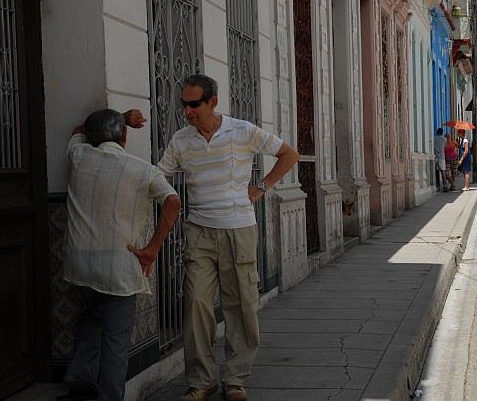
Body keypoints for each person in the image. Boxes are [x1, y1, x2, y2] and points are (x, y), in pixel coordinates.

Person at [157, 74, 299, 401]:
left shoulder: (242, 130)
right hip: (199, 231)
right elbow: (158, 175)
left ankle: (234, 379)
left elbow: (288, 154)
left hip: (239, 230)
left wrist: (261, 187)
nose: (188, 111)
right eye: (184, 105)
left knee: (240, 306)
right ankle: (201, 381)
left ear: (212, 102)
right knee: (196, 304)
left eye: (195, 104)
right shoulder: (181, 140)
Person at [61, 109, 181, 401]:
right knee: (116, 340)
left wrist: (122, 116)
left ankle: (79, 378)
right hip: (118, 268)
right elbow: (173, 202)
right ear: (124, 136)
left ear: (91, 137)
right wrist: (152, 249)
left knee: (91, 317)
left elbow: (79, 127)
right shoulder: (142, 170)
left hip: (80, 264)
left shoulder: (78, 156)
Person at [433, 127, 449, 192]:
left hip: (435, 155)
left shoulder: (434, 138)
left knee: (435, 170)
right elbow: (445, 146)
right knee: (443, 171)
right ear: (442, 132)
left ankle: (437, 185)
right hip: (442, 156)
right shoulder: (445, 139)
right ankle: (444, 186)